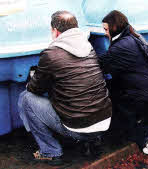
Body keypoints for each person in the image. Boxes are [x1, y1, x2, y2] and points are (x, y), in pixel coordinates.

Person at [18, 11, 112, 165]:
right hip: (103, 122)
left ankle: (50, 151)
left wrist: (32, 80)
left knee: (26, 98)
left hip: (78, 127)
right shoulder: (89, 47)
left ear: (55, 31)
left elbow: (34, 89)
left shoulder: (51, 54)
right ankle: (93, 141)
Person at [99, 10, 148, 154]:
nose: (104, 33)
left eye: (106, 29)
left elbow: (102, 64)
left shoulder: (120, 46)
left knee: (114, 102)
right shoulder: (134, 36)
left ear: (114, 27)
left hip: (143, 93)